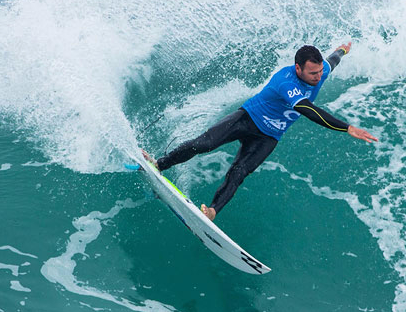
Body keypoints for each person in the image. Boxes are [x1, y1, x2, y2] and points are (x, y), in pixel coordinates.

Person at [143, 42, 377, 221]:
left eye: (319, 72)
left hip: (269, 136)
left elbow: (332, 61)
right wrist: (347, 127)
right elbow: (308, 110)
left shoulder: (321, 70)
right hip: (247, 119)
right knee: (203, 144)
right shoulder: (286, 82)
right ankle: (160, 164)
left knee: (239, 172)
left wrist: (342, 50)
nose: (318, 77)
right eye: (312, 73)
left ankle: (212, 211)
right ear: (298, 68)